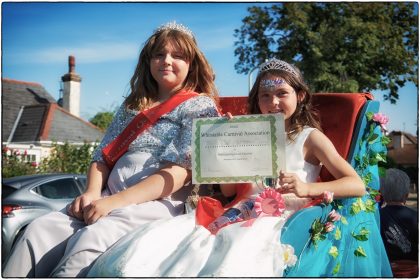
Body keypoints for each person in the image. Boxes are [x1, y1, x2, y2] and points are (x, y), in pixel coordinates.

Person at [87, 58, 371, 277]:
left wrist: (307, 187)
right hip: (235, 212)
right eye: (264, 95)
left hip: (282, 220)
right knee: (165, 248)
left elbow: (355, 184)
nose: (272, 102)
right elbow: (229, 191)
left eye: (282, 93)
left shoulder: (310, 137)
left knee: (233, 254)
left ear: (301, 96)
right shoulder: (249, 132)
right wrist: (228, 147)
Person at [2, 21, 220, 277]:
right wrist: (93, 192)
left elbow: (179, 173)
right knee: (38, 230)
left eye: (177, 55)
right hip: (106, 195)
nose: (166, 60)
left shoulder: (200, 107)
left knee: (91, 240)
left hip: (158, 202)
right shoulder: (132, 106)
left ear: (191, 63)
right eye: (159, 54)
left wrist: (114, 203)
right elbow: (101, 158)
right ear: (148, 61)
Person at [380, 169, 418, 265]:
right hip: (413, 269)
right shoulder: (415, 216)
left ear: (382, 194)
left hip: (386, 269)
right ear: (406, 195)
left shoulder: (377, 216)